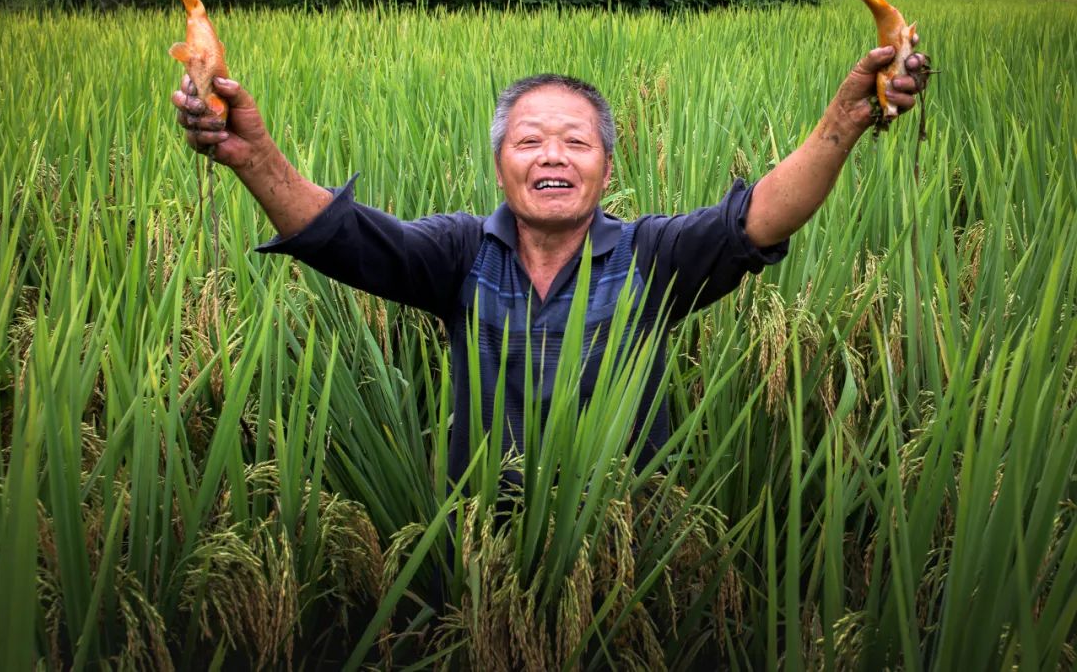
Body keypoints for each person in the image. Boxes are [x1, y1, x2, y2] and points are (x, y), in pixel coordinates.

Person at [173, 44, 927, 480]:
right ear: (501, 163)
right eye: (529, 140)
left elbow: (757, 217)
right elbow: (346, 237)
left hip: (625, 542)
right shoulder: (459, 253)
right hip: (485, 541)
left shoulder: (652, 258)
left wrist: (847, 117)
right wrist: (253, 154)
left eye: (575, 141)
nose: (553, 156)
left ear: (605, 164)